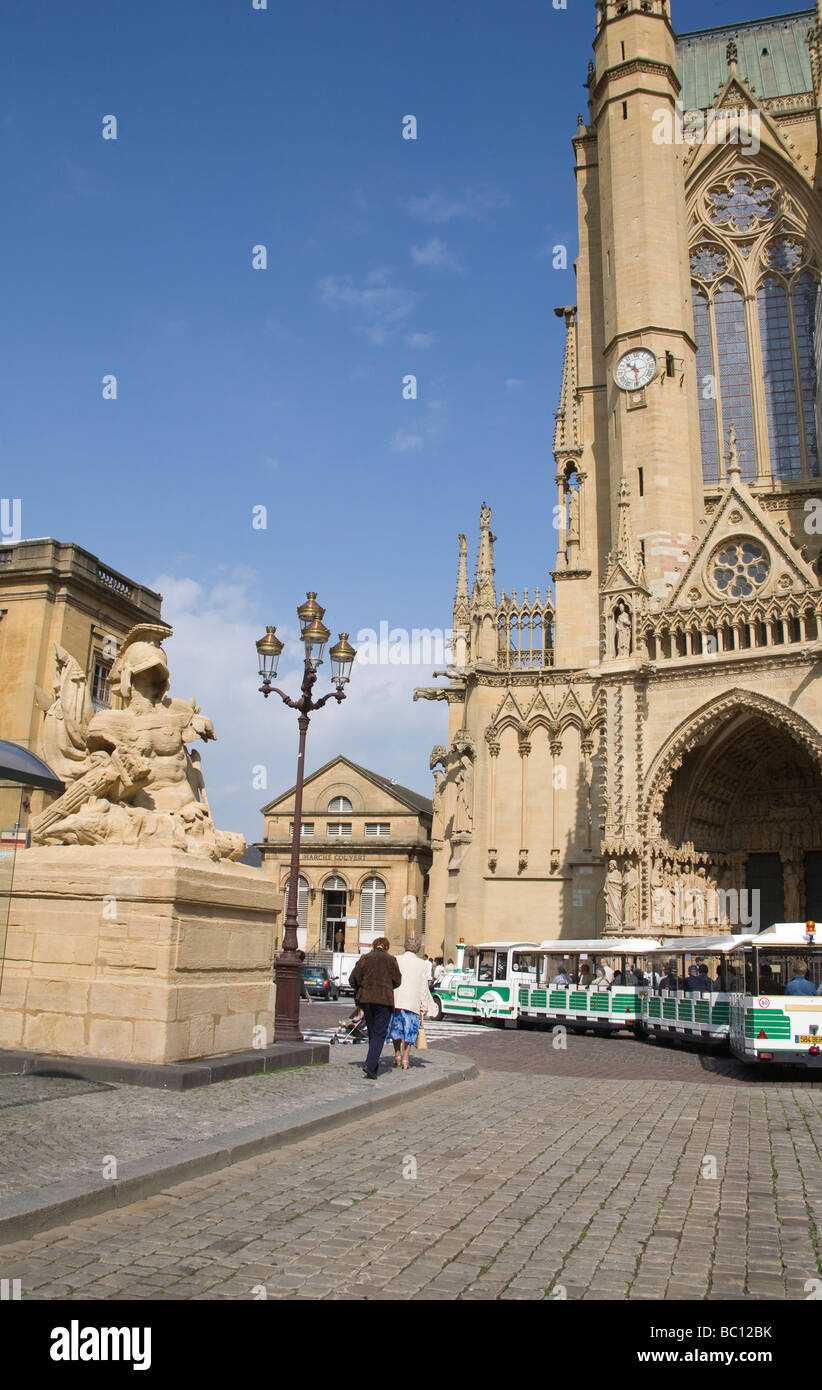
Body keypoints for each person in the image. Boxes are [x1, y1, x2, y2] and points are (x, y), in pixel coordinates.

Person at [348, 937, 402, 1078]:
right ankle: (371, 1065)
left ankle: (372, 1064)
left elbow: (352, 978)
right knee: (379, 1033)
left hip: (367, 999)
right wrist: (388, 986)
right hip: (384, 999)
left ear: (374, 945)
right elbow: (398, 980)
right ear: (386, 947)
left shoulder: (365, 958)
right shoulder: (391, 960)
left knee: (373, 1031)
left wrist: (362, 987)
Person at [387, 937, 433, 1071]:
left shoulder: (396, 959)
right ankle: (406, 1059)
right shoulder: (422, 964)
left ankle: (397, 1055)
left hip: (396, 1000)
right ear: (417, 949)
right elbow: (423, 987)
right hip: (412, 1003)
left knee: (396, 1030)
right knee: (409, 1033)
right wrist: (423, 1006)